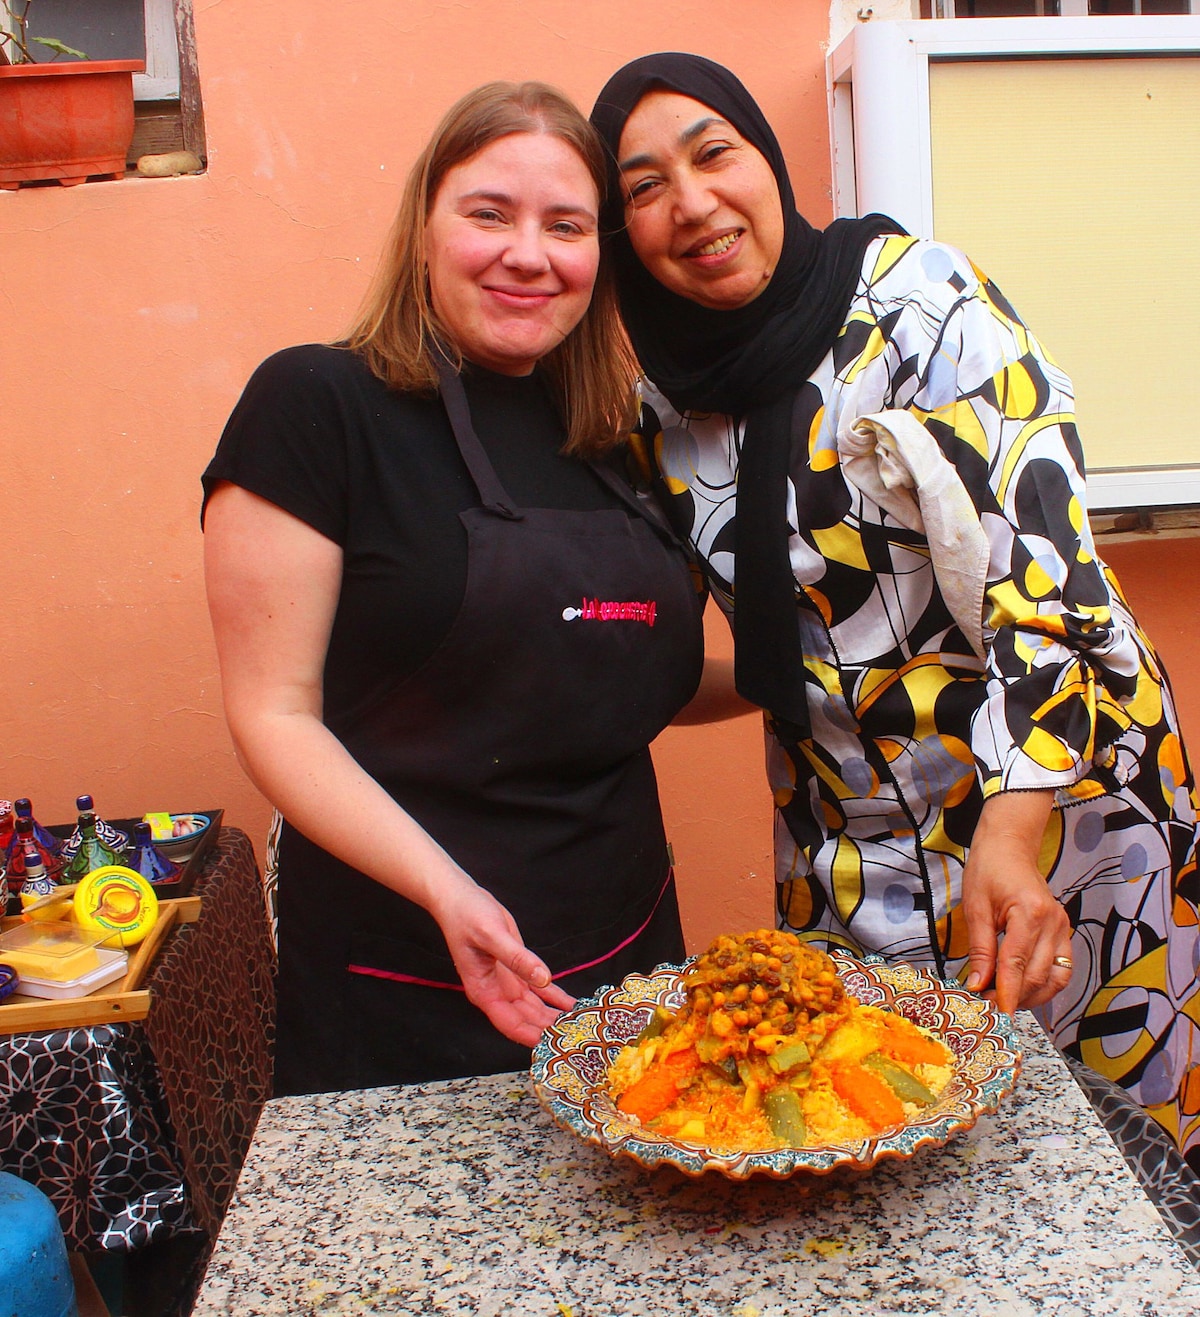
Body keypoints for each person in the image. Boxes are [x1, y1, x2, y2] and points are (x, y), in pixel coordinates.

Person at [590, 52, 1200, 1166]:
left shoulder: (919, 305)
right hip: (851, 859)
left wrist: (1010, 846)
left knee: (1114, 1175)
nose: (691, 203)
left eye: (713, 152)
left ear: (764, 159)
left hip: (1056, 825)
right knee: (888, 1169)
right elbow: (729, 649)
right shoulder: (658, 415)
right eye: (641, 188)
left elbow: (1050, 587)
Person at [203, 80, 704, 1097]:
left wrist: (824, 674)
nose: (530, 253)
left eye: (566, 225)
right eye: (489, 214)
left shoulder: (611, 443)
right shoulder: (316, 407)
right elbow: (275, 713)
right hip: (406, 972)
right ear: (424, 229)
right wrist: (450, 893)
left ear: (597, 259)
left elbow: (640, 669)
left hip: (632, 962)